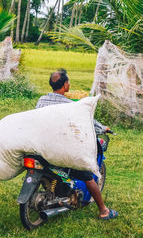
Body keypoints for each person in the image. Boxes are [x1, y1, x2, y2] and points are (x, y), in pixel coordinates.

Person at [36, 69, 118, 220]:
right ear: (66, 85)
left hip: (42, 150)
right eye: (68, 83)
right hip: (61, 152)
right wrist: (103, 128)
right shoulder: (70, 105)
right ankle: (104, 211)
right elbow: (88, 122)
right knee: (87, 175)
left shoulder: (41, 101)